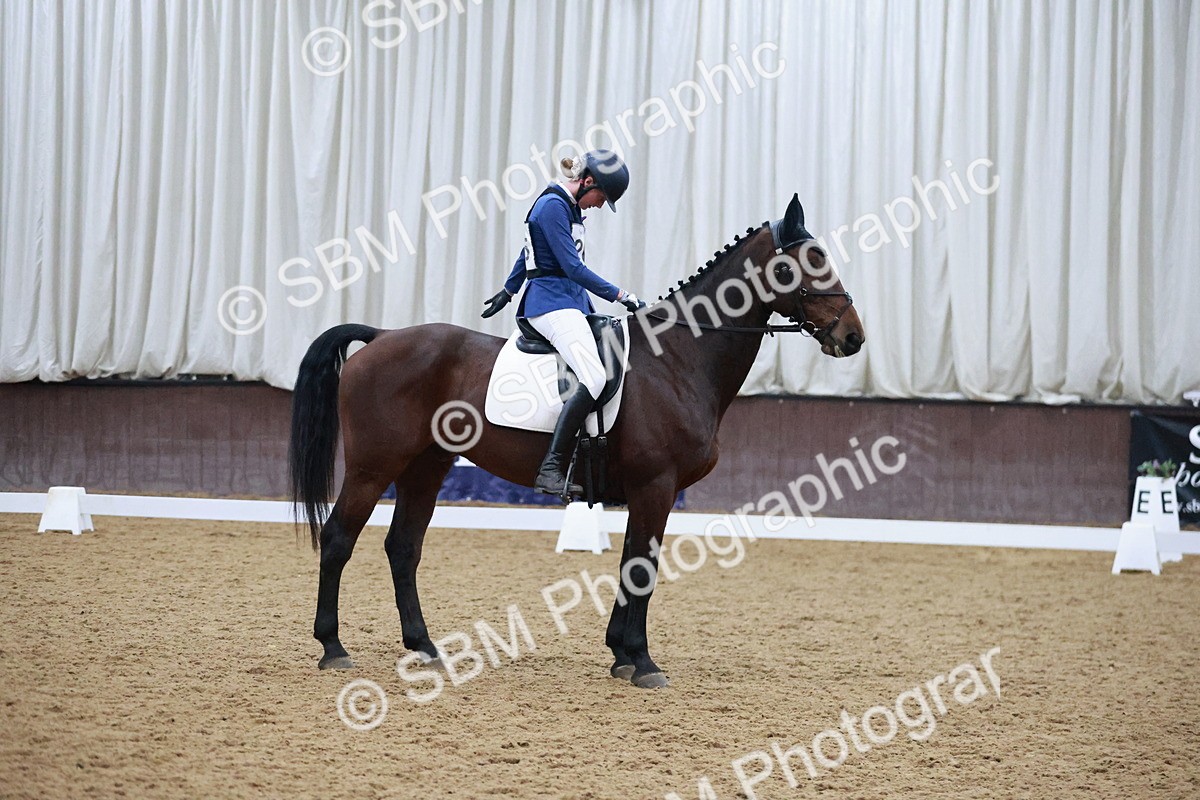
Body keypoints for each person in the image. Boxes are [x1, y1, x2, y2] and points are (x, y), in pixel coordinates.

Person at [481, 149, 645, 496]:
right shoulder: (553, 206)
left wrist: (509, 289)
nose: (600, 205)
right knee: (595, 376)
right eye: (602, 197)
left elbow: (531, 251)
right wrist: (621, 295)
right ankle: (551, 466)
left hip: (570, 301)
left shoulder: (566, 206)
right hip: (551, 303)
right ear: (587, 182)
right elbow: (572, 268)